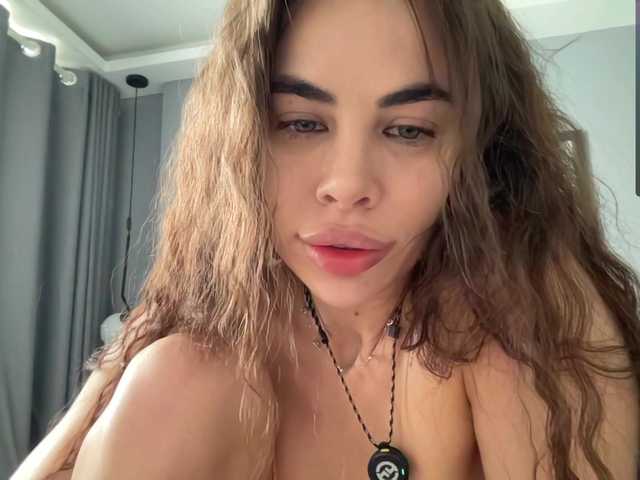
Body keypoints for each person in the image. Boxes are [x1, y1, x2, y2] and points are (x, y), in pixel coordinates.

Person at [12, 0, 640, 479]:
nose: (347, 185)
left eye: (409, 130)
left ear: (481, 153)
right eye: (301, 123)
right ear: (239, 142)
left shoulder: (517, 306)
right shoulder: (188, 351)